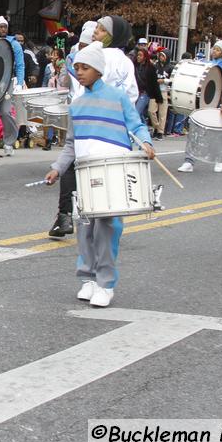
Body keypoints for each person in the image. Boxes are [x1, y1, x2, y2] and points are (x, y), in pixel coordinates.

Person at [45, 42, 155, 307]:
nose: (79, 72)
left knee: (107, 229)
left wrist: (146, 143)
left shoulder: (117, 97)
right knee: (84, 228)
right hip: (86, 173)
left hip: (112, 172)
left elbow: (136, 124)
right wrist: (57, 168)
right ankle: (88, 278)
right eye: (77, 68)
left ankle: (106, 283)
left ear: (99, 70)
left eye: (85, 67)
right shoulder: (77, 104)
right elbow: (71, 143)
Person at [47, 17, 137, 240]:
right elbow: (131, 94)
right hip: (115, 125)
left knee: (72, 165)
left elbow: (82, 88)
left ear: (113, 35)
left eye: (102, 29)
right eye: (96, 28)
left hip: (89, 118)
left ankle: (66, 215)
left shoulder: (95, 55)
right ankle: (105, 220)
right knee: (108, 170)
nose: (96, 32)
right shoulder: (126, 62)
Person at [47, 21, 96, 239]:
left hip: (102, 116)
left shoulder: (112, 59)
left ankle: (99, 218)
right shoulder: (72, 57)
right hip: (78, 108)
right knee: (71, 162)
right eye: (83, 44)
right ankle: (65, 215)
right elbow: (66, 81)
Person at [178, 40, 222, 173]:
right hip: (202, 104)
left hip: (217, 104)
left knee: (217, 134)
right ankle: (189, 161)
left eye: (217, 49)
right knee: (194, 131)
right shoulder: (205, 64)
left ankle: (219, 160)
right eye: (214, 48)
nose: (214, 51)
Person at [0, 16, 25, 156]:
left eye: (5, 26)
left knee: (5, 112)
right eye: (0, 26)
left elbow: (20, 65)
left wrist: (19, 83)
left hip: (8, 83)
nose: (3, 29)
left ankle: (9, 142)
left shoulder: (14, 44)